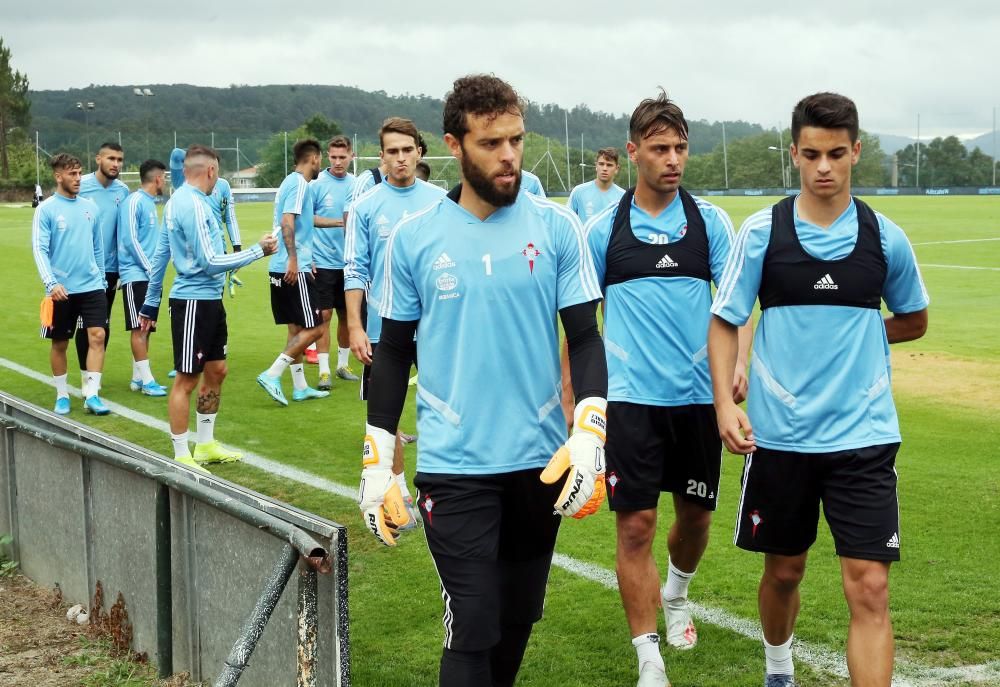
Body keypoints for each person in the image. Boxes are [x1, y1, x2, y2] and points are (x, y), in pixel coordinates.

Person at [359, 74, 608, 687]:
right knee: (472, 619)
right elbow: (391, 354)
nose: (509, 156)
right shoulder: (415, 239)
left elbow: (585, 337)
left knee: (518, 614)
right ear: (454, 144)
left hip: (539, 462)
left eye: (517, 140)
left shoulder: (555, 229)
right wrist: (376, 459)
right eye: (492, 143)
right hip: (456, 464)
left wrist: (591, 432)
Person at [708, 92, 929, 687]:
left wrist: (859, 335)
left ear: (857, 152)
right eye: (812, 154)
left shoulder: (886, 239)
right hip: (780, 439)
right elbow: (725, 319)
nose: (824, 167)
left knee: (871, 585)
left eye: (837, 153)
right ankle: (779, 668)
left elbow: (913, 320)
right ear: (795, 155)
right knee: (784, 572)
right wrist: (725, 404)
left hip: (865, 438)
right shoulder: (762, 233)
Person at [576, 93, 752, 687]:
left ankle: (677, 592)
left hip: (700, 401)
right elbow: (579, 325)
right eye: (659, 149)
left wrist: (738, 367)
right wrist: (581, 402)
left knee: (696, 520)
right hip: (631, 402)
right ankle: (647, 655)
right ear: (633, 153)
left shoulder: (711, 224)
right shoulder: (605, 231)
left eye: (680, 148)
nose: (672, 159)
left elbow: (735, 308)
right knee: (635, 527)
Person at [140, 145, 277, 470]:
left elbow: (162, 254)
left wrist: (149, 301)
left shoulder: (185, 202)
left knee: (217, 370)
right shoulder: (193, 206)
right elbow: (211, 261)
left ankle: (205, 444)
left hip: (209, 302)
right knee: (186, 379)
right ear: (211, 172)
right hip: (192, 303)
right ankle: (181, 454)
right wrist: (258, 251)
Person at [345, 116, 444, 519]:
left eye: (407, 150)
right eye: (392, 152)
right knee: (386, 414)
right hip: (384, 328)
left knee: (443, 408)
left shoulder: (441, 200)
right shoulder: (365, 207)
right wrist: (354, 325)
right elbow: (354, 269)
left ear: (419, 151)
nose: (401, 159)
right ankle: (397, 490)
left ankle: (440, 489)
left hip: (438, 327)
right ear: (381, 157)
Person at [32, 153, 110, 416]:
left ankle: (92, 394)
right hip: (61, 290)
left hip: (92, 287)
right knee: (60, 343)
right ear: (58, 176)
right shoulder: (46, 209)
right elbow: (39, 249)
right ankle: (62, 394)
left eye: (79, 173)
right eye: (72, 174)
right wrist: (50, 283)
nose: (78, 178)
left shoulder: (90, 208)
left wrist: (100, 279)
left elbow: (98, 247)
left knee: (97, 336)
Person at [256, 139, 330, 405]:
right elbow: (288, 221)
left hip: (282, 265)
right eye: (321, 158)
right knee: (316, 327)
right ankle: (272, 374)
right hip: (290, 268)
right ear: (315, 158)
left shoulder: (290, 182)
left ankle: (300, 387)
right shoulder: (299, 183)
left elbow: (298, 223)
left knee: (296, 328)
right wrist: (294, 261)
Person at [308, 135, 359, 389]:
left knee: (348, 315)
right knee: (324, 315)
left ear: (352, 156)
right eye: (334, 157)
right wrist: (310, 257)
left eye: (343, 157)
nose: (338, 162)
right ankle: (324, 371)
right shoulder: (317, 184)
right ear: (328, 156)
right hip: (324, 261)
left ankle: (342, 364)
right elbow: (306, 219)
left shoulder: (357, 184)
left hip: (349, 263)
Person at [76, 142, 128, 388]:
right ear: (98, 159)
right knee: (82, 326)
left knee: (101, 325)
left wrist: (122, 269)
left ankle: (93, 379)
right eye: (111, 159)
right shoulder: (81, 185)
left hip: (110, 270)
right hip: (82, 268)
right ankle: (85, 376)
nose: (115, 164)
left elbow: (123, 232)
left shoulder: (123, 191)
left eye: (119, 160)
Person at [118, 159, 169, 397]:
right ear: (157, 178)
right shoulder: (134, 201)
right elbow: (130, 240)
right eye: (165, 177)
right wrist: (151, 269)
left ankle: (138, 379)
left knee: (146, 327)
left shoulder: (150, 203)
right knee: (139, 328)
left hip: (149, 277)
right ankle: (147, 381)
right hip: (136, 275)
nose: (166, 181)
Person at [569, 147, 626, 222]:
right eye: (601, 164)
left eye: (609, 165)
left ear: (616, 169)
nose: (604, 168)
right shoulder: (578, 192)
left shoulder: (623, 197)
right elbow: (568, 221)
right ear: (596, 166)